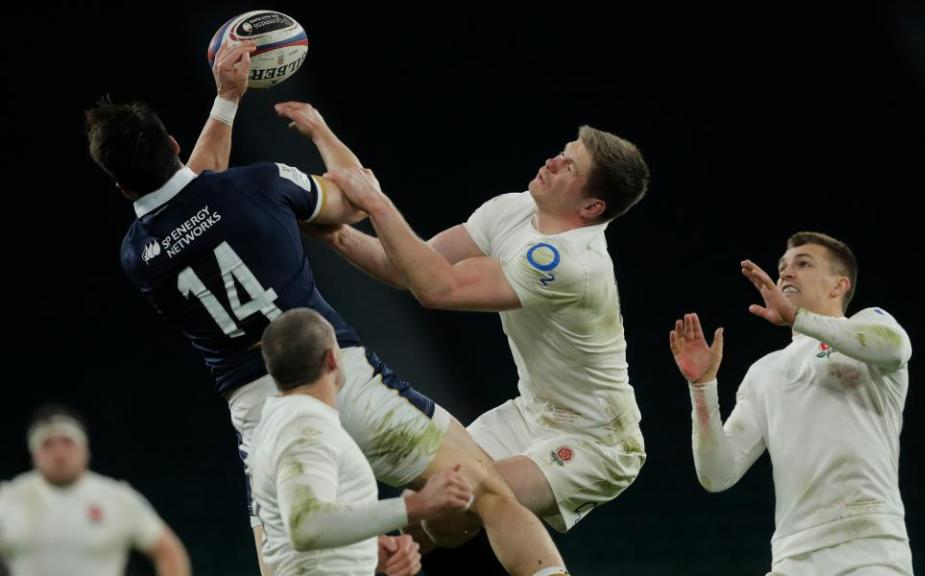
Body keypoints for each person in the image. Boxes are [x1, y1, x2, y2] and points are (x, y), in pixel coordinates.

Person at [84, 44, 568, 576]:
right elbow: (352, 202)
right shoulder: (259, 183)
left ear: (119, 184)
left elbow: (191, 199)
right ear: (173, 143)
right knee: (491, 495)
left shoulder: (138, 255)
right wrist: (315, 135)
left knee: (288, 566)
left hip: (261, 415)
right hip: (339, 375)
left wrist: (226, 102)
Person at [317, 126, 650, 537]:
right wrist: (327, 227)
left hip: (596, 440)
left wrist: (376, 203)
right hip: (529, 413)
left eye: (570, 166)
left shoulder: (571, 263)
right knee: (428, 509)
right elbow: (408, 267)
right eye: (563, 151)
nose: (553, 161)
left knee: (466, 500)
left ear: (591, 206)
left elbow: (438, 288)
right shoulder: (514, 209)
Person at [668, 231, 914, 575]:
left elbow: (895, 347)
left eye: (803, 264)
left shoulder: (871, 324)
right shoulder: (764, 372)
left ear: (838, 285)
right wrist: (703, 387)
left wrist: (800, 319)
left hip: (870, 549)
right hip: (793, 557)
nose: (786, 273)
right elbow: (717, 474)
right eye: (783, 266)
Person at [251, 308, 475, 576]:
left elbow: (303, 526)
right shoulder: (304, 427)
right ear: (333, 358)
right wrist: (417, 505)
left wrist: (367, 550)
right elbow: (306, 526)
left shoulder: (282, 422)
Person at [0, 405, 191, 576]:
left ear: (85, 449)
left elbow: (169, 553)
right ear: (33, 454)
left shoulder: (119, 498)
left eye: (67, 441)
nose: (59, 453)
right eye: (47, 444)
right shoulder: (7, 499)